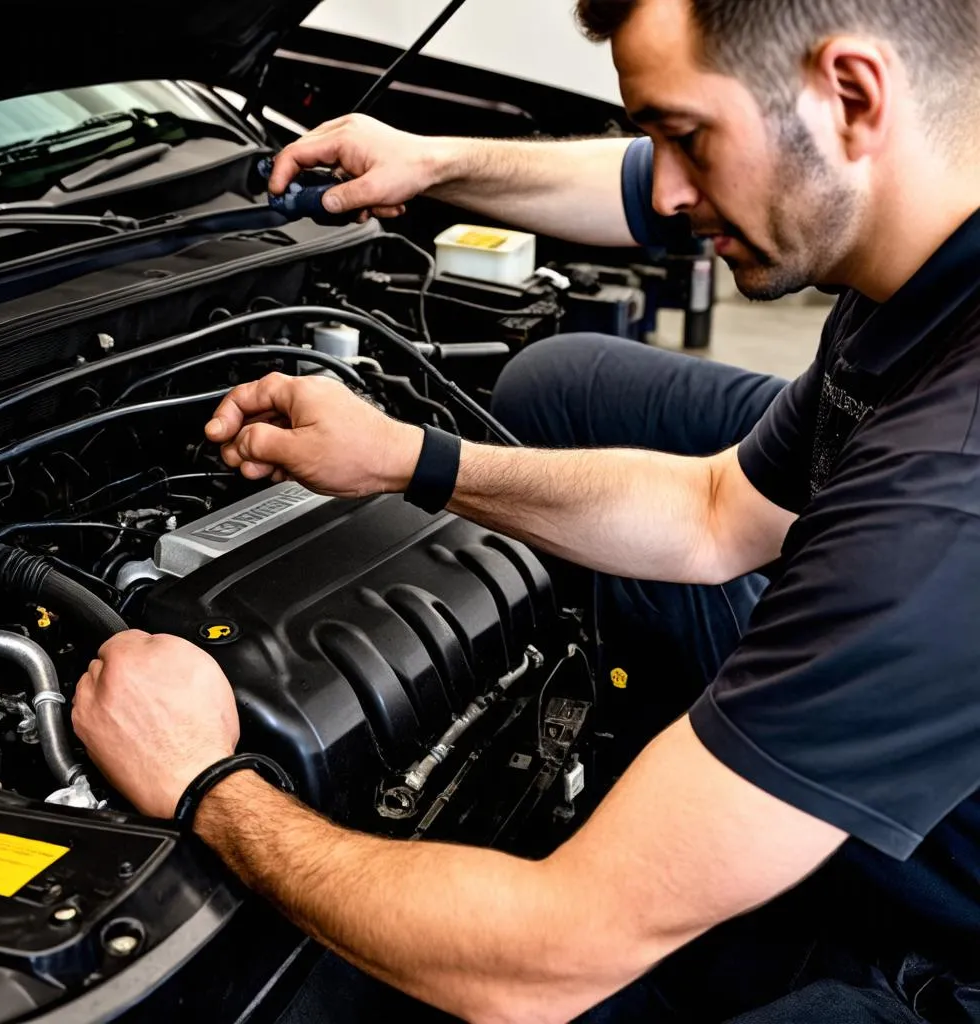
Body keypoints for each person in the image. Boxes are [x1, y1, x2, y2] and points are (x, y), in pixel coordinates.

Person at [71, 0, 980, 1020]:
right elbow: (718, 510)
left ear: (854, 94)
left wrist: (207, 784)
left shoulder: (945, 490)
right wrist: (404, 458)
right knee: (565, 384)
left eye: (685, 136)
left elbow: (543, 961)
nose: (666, 194)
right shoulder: (922, 254)